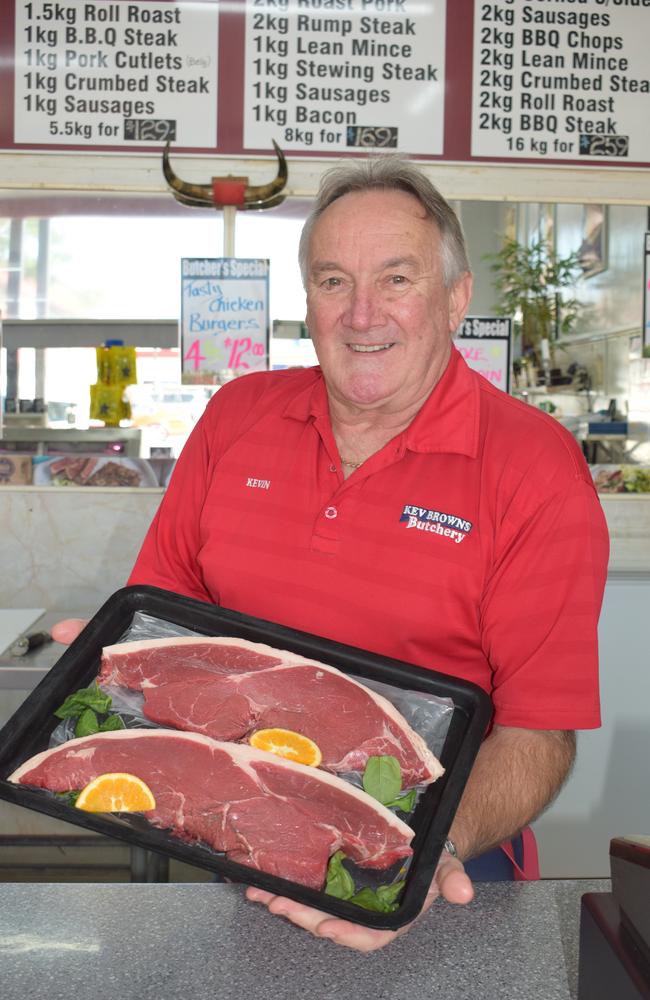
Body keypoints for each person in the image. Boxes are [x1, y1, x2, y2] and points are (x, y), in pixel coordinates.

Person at [54, 156, 609, 952]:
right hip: (243, 829)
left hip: (443, 858)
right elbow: (165, 626)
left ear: (455, 299)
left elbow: (538, 732)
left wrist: (415, 865)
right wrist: (114, 672)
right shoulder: (237, 414)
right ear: (308, 300)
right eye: (333, 281)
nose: (361, 315)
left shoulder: (533, 467)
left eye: (397, 279)